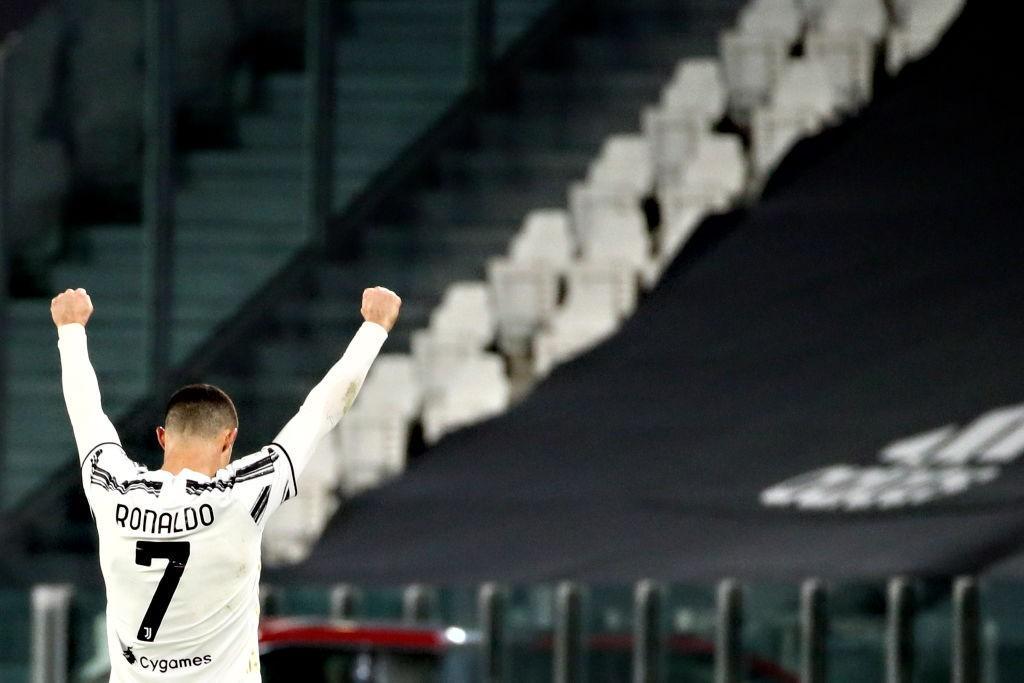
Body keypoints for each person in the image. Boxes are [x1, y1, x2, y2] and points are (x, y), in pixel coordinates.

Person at [52, 285, 401, 681]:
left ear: (163, 437)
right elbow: (319, 412)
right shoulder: (241, 496)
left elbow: (87, 414)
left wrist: (71, 329)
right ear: (229, 439)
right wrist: (374, 327)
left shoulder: (112, 489)